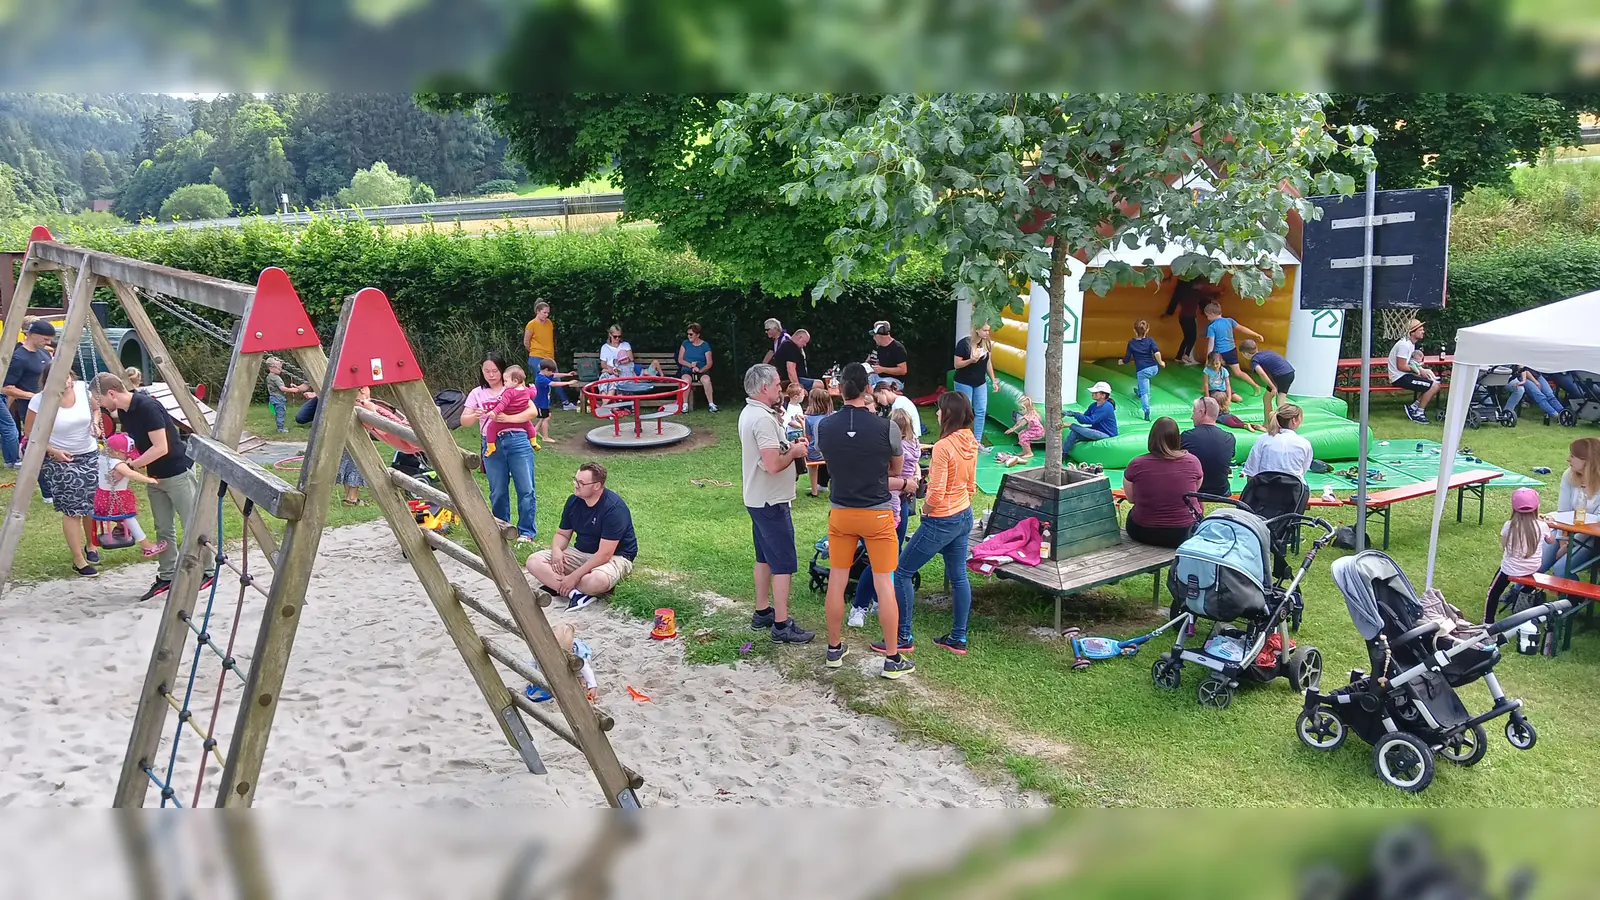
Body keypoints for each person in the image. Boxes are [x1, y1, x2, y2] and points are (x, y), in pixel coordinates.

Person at [815, 362, 916, 678]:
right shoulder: (887, 428)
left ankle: (834, 649)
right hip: (878, 512)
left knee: (837, 579)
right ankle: (892, 658)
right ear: (868, 388)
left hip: (841, 512)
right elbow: (897, 470)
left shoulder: (824, 427)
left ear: (841, 389)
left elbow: (830, 461)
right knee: (884, 584)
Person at [88, 372, 215, 601]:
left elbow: (160, 447)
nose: (99, 405)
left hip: (176, 471)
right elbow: (132, 441)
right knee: (163, 527)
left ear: (111, 393)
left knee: (192, 523)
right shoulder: (125, 412)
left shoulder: (148, 407)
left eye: (99, 400)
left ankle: (208, 571)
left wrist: (131, 465)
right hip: (155, 476)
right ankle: (167, 574)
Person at [894, 392, 979, 656]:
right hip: (964, 513)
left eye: (940, 409)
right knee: (959, 576)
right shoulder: (971, 441)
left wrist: (926, 511)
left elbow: (936, 492)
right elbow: (971, 485)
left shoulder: (943, 447)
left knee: (902, 572)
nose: (938, 413)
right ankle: (958, 638)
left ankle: (903, 637)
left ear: (949, 414)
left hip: (941, 518)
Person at [737, 364, 816, 644]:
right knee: (783, 563)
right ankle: (781, 625)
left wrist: (785, 439)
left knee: (764, 558)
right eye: (775, 385)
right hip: (771, 501)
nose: (779, 390)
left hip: (757, 498)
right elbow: (772, 464)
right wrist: (794, 451)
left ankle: (762, 611)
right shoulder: (762, 419)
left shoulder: (753, 413)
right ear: (763, 388)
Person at [525, 462, 639, 609]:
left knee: (598, 580)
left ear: (596, 486)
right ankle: (575, 593)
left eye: (581, 482)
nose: (576, 485)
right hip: (581, 552)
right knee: (533, 561)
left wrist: (573, 577)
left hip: (615, 556)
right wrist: (556, 550)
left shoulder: (614, 509)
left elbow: (604, 554)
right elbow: (562, 534)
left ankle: (558, 585)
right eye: (575, 480)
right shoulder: (573, 501)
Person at [848, 407, 921, 629]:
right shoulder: (913, 444)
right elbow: (879, 478)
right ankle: (861, 605)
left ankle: (874, 601)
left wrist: (908, 479)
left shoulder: (889, 447)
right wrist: (910, 480)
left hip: (894, 504)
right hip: (886, 506)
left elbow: (883, 477)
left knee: (889, 557)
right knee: (882, 559)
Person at [26, 364, 102, 576]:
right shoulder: (40, 400)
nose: (67, 382)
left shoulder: (82, 389)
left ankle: (91, 545)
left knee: (90, 504)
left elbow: (95, 409)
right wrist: (53, 451)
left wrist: (95, 424)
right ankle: (78, 560)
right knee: (72, 510)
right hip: (61, 460)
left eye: (68, 377)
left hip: (89, 453)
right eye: (61, 379)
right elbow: (30, 432)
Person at [461, 354, 537, 542]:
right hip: (492, 443)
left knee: (526, 488)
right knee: (498, 490)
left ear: (503, 371)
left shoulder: (513, 387)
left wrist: (507, 419)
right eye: (486, 371)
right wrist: (475, 415)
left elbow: (532, 411)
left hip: (517, 439)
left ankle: (526, 532)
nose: (491, 375)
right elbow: (464, 420)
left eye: (495, 371)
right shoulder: (477, 393)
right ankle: (502, 527)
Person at [1122, 416, 1204, 548]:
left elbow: (1131, 499)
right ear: (1176, 438)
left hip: (1143, 531)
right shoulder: (1193, 462)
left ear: (1151, 438)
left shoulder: (1136, 464)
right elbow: (1195, 490)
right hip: (1184, 532)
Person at [1485, 487, 1555, 624]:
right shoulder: (1542, 526)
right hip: (1532, 568)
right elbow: (1551, 541)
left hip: (1509, 568)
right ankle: (1525, 595)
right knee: (1528, 580)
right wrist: (1548, 526)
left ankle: (1488, 623)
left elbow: (1504, 545)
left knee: (1493, 592)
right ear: (1537, 507)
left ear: (1514, 508)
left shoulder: (1509, 525)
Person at [97, 432, 169, 559]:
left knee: (117, 515)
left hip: (101, 498)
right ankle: (147, 546)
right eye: (127, 455)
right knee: (129, 518)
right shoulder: (118, 464)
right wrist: (150, 480)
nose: (129, 458)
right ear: (118, 453)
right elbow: (131, 474)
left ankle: (119, 528)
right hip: (116, 497)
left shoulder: (102, 458)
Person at [2, 319, 57, 478]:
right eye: (45, 339)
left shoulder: (45, 353)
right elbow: (6, 387)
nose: (49, 342)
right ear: (33, 335)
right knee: (38, 443)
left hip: (51, 405)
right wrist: (34, 396)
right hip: (31, 408)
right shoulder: (19, 357)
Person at [1541, 438, 1600, 577]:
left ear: (1587, 460)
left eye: (1573, 456)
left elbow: (1597, 523)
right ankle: (1518, 592)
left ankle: (1575, 599)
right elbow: (1563, 512)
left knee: (1561, 570)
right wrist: (1563, 542)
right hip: (1566, 531)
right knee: (1539, 561)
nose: (1568, 459)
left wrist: (1569, 546)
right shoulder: (1569, 475)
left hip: (1592, 539)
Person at [524, 300, 576, 411]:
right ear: (538, 312)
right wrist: (534, 351)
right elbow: (526, 342)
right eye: (544, 312)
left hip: (549, 357)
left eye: (548, 313)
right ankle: (537, 406)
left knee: (555, 376)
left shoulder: (549, 323)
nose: (546, 315)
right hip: (536, 356)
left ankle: (565, 403)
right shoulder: (531, 324)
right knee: (541, 382)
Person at [1241, 403, 1314, 481]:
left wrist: (1252, 491)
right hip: (1293, 490)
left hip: (1265, 488)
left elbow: (1251, 471)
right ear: (1294, 420)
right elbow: (1303, 469)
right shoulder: (1304, 443)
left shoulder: (1263, 439)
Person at [1387, 318, 1440, 424]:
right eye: (1420, 330)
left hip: (1405, 375)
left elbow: (1410, 363)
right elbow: (1401, 366)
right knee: (1433, 386)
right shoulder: (1404, 345)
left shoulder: (1410, 344)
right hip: (1399, 377)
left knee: (1436, 384)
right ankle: (1418, 413)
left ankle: (1414, 407)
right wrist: (1419, 372)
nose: (1423, 332)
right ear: (1412, 332)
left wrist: (1421, 369)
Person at [953, 322, 999, 444]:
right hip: (964, 382)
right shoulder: (963, 344)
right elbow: (957, 365)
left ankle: (977, 441)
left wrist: (993, 380)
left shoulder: (986, 343)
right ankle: (962, 440)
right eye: (985, 330)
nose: (987, 333)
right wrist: (971, 360)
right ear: (977, 330)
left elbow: (988, 363)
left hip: (980, 382)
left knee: (981, 411)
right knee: (964, 412)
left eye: (988, 330)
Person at [1181, 396, 1236, 498]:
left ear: (1202, 412)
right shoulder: (1229, 438)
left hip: (1195, 492)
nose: (1191, 417)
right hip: (1221, 492)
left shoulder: (1186, 437)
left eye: (1194, 412)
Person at [1203, 301, 1263, 392]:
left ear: (1212, 314)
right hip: (1231, 351)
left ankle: (1208, 388)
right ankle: (1255, 386)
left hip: (1219, 353)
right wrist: (1256, 334)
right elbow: (1242, 328)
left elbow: (1211, 343)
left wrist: (1208, 358)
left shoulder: (1212, 327)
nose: (1207, 318)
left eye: (1207, 316)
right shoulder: (1229, 321)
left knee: (1212, 371)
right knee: (1238, 372)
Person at [1162, 275, 1216, 365]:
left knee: (1187, 337)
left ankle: (1179, 357)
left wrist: (1168, 313)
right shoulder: (1196, 293)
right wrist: (1218, 294)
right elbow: (1207, 297)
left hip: (1182, 317)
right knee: (1192, 336)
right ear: (1197, 284)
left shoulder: (1185, 292)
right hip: (1189, 317)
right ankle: (1185, 355)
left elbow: (1175, 299)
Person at [486, 365, 537, 456]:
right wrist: (533, 388)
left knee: (491, 427)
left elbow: (502, 404)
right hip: (521, 419)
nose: (504, 383)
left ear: (515, 381)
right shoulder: (527, 391)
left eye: (505, 381)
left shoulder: (509, 392)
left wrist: (494, 412)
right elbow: (533, 394)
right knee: (529, 426)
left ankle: (491, 446)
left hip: (504, 418)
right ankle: (533, 441)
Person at [1121, 319, 1165, 421]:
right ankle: (1139, 391)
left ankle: (1146, 409)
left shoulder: (1131, 343)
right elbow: (1156, 352)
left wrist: (1122, 362)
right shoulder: (1150, 340)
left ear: (1134, 330)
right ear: (1147, 330)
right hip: (1154, 368)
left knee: (1145, 392)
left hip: (1143, 370)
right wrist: (1161, 362)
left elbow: (1127, 358)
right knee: (1143, 382)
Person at [1239, 340, 1294, 420]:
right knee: (1280, 401)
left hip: (1280, 376)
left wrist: (1273, 387)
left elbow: (1262, 374)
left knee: (1267, 399)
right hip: (1290, 372)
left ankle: (1269, 424)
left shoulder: (1255, 361)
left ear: (1246, 354)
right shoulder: (1266, 352)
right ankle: (1283, 421)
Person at [1062, 381, 1118, 459]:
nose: (1093, 394)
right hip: (1096, 430)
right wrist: (1070, 413)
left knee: (1075, 428)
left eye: (1096, 392)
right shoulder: (1093, 405)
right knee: (1074, 433)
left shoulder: (1107, 406)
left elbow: (1091, 420)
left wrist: (1072, 420)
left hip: (1106, 434)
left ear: (1103, 395)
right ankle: (1063, 454)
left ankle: (1070, 425)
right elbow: (1084, 418)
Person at [533, 359, 580, 443]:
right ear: (546, 370)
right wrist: (568, 383)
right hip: (540, 403)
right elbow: (554, 384)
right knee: (546, 418)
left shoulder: (544, 374)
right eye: (551, 371)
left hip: (544, 402)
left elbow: (555, 375)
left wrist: (567, 374)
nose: (552, 373)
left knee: (546, 416)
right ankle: (545, 437)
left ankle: (534, 430)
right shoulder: (541, 379)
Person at [678, 323, 717, 412]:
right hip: (687, 370)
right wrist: (690, 365)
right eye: (688, 334)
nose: (689, 336)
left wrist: (700, 370)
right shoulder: (685, 343)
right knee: (686, 381)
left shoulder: (705, 345)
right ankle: (685, 405)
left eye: (691, 334)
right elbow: (680, 359)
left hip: (701, 370)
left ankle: (711, 404)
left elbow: (709, 363)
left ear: (697, 335)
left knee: (706, 380)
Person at [803, 386, 832, 497]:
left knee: (812, 464)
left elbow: (808, 437)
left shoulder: (808, 418)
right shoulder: (831, 416)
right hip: (829, 453)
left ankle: (814, 491)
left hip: (814, 454)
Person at [1000, 394, 1044, 465]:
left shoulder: (1027, 417)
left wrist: (1012, 429)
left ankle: (1029, 453)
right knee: (1021, 434)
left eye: (1021, 409)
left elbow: (1019, 424)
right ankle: (1024, 450)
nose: (1020, 411)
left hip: (1037, 432)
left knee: (1024, 437)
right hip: (1036, 430)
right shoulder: (1032, 412)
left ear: (1028, 408)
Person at [865, 321, 909, 390]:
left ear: (880, 336)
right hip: (879, 377)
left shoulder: (898, 348)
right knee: (862, 383)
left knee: (876, 388)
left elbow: (903, 370)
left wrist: (883, 369)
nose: (873, 338)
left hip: (895, 380)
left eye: (874, 335)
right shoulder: (879, 347)